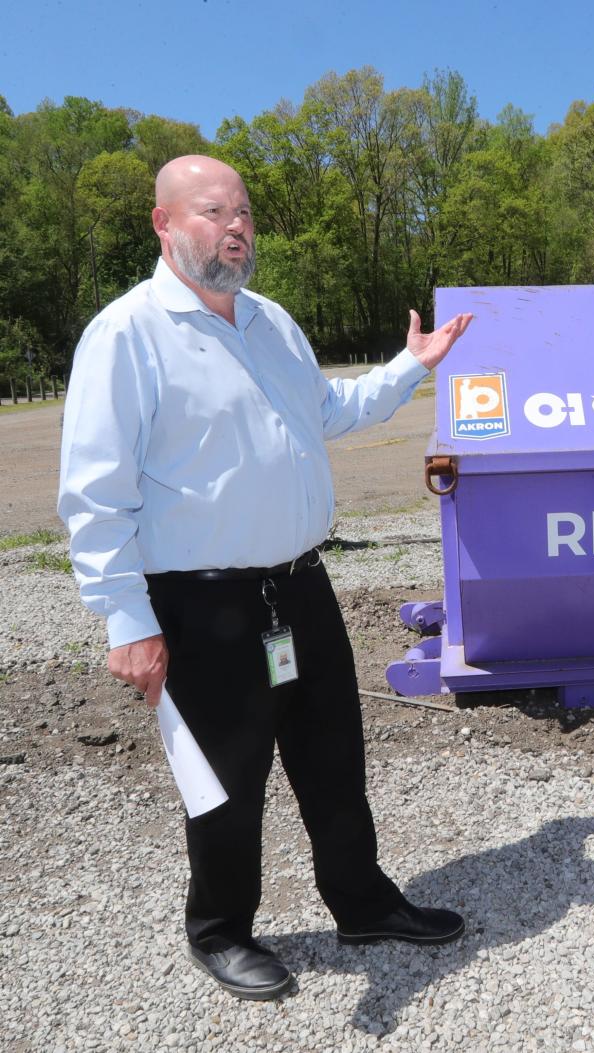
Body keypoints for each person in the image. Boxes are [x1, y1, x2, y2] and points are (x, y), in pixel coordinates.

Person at [57, 155, 473, 1001]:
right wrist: (124, 619)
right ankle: (220, 928)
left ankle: (360, 901)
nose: (237, 225)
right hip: (202, 604)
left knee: (333, 757)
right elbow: (95, 495)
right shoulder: (128, 334)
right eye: (214, 210)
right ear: (164, 224)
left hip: (301, 586)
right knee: (226, 782)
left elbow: (327, 412)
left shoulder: (272, 321)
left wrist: (411, 366)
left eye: (243, 211)